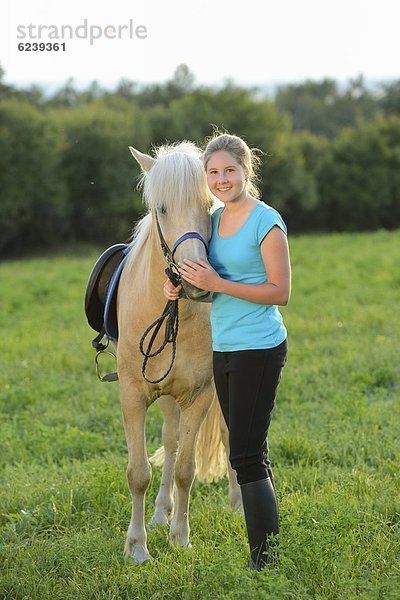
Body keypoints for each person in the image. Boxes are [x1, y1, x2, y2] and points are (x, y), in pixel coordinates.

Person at [163, 132, 291, 569]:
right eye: (213, 172)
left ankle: (265, 563)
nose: (221, 179)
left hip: (259, 348)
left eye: (229, 171)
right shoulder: (214, 221)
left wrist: (216, 283)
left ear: (245, 171)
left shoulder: (266, 221)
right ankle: (268, 551)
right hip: (225, 347)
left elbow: (280, 291)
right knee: (253, 450)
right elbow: (211, 291)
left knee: (245, 455)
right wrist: (182, 290)